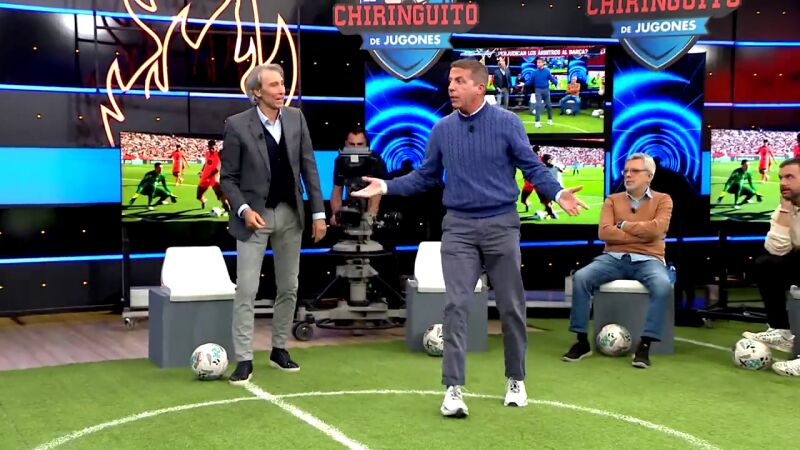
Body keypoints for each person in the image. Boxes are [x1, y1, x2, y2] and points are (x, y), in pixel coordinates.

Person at [351, 58, 587, 418]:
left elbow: (531, 166)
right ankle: (453, 389)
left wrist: (556, 193)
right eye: (450, 80)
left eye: (459, 80)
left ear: (481, 86)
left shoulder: (507, 123)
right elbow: (425, 176)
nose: (451, 86)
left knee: (511, 307)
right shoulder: (442, 129)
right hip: (459, 227)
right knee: (456, 305)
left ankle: (516, 379)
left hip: (501, 224)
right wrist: (386, 186)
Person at [220, 63, 327, 385]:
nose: (282, 90)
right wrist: (243, 210)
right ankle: (244, 359)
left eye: (282, 83)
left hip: (291, 215)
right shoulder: (237, 125)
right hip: (254, 218)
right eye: (274, 85)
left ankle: (279, 348)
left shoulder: (296, 118)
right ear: (257, 92)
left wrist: (319, 214)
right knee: (247, 289)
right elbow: (228, 178)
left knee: (289, 286)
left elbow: (309, 167)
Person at [562, 153, 673, 369]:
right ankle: (581, 341)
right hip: (612, 258)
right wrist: (643, 234)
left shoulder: (663, 199)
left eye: (634, 171)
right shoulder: (612, 200)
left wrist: (623, 225)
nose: (628, 175)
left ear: (649, 176)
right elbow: (604, 233)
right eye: (626, 171)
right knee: (581, 277)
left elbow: (657, 229)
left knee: (662, 285)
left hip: (649, 259)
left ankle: (645, 345)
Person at [742, 158, 800, 376]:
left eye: (790, 177)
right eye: (781, 178)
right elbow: (776, 249)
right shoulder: (785, 209)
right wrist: (785, 210)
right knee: (766, 264)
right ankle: (782, 330)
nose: (783, 183)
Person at [330, 127, 387, 226]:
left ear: (367, 145)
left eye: (360, 144)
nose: (356, 148)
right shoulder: (340, 161)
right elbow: (337, 190)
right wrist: (336, 215)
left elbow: (376, 195)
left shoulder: (376, 161)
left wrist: (370, 218)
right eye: (352, 144)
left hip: (374, 211)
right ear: (346, 144)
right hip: (351, 209)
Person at [197, 140, 229, 212]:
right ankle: (204, 201)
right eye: (210, 147)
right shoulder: (207, 153)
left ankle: (227, 208)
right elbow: (206, 163)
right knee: (198, 196)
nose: (211, 149)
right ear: (208, 147)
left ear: (215, 147)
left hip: (214, 178)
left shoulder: (218, 154)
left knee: (220, 194)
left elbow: (218, 169)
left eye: (212, 148)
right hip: (204, 177)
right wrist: (202, 171)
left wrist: (209, 177)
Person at [527, 58, 558, 128]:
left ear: (543, 63)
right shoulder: (534, 72)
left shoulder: (547, 71)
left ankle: (549, 120)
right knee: (538, 105)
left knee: (549, 105)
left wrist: (556, 82)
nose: (538, 64)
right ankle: (537, 122)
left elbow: (551, 79)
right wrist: (524, 84)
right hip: (538, 90)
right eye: (537, 62)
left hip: (546, 90)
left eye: (539, 62)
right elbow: (530, 82)